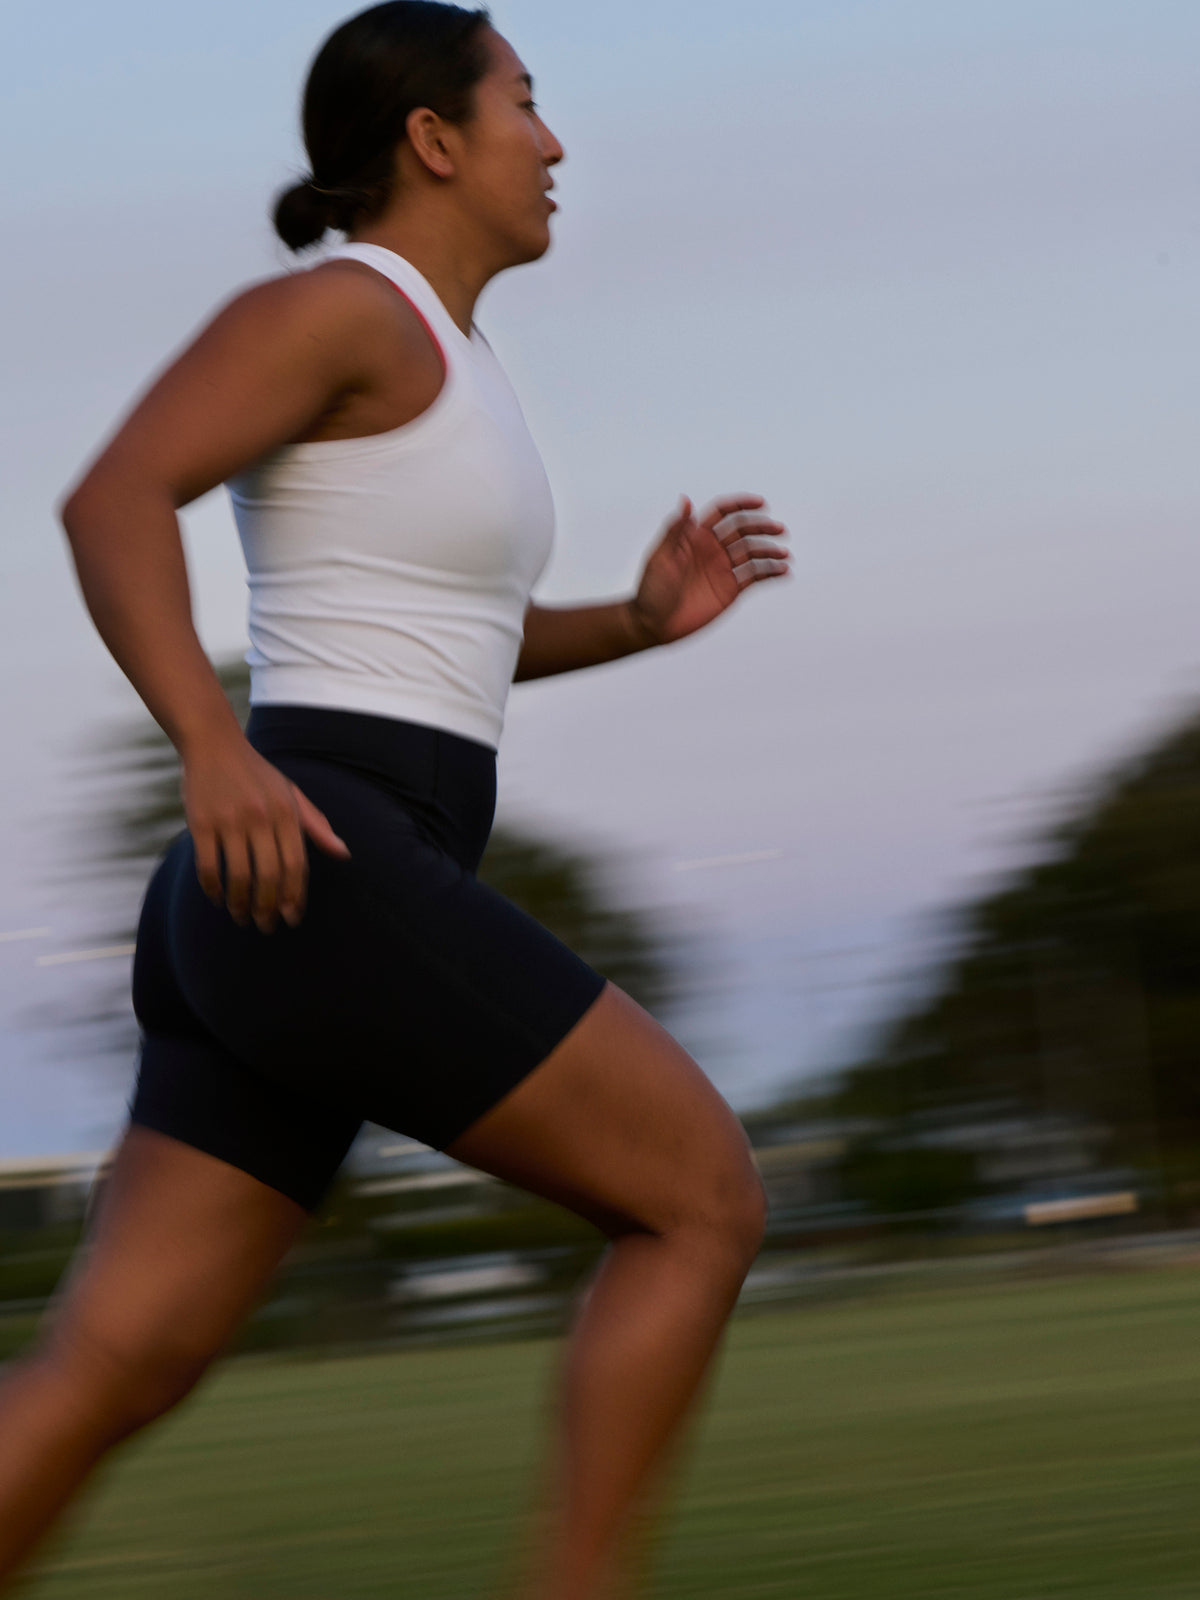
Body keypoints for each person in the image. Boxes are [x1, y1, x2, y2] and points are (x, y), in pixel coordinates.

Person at [0, 3, 791, 1595]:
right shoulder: (346, 311)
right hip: (323, 854)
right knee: (702, 1199)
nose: (554, 143)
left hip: (287, 893)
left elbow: (443, 657)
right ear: (433, 138)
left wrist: (632, 623)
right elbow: (111, 499)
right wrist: (209, 749)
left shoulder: (453, 353)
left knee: (118, 1365)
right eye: (526, 105)